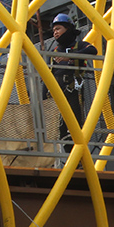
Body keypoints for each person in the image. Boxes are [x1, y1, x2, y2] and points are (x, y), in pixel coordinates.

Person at [46, 12, 95, 142]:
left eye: (58, 29)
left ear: (68, 29)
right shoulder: (54, 52)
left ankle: (77, 157)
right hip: (56, 94)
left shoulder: (81, 46)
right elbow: (47, 75)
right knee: (59, 128)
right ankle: (69, 157)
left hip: (74, 91)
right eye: (53, 30)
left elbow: (92, 50)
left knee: (74, 125)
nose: (55, 32)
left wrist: (72, 55)